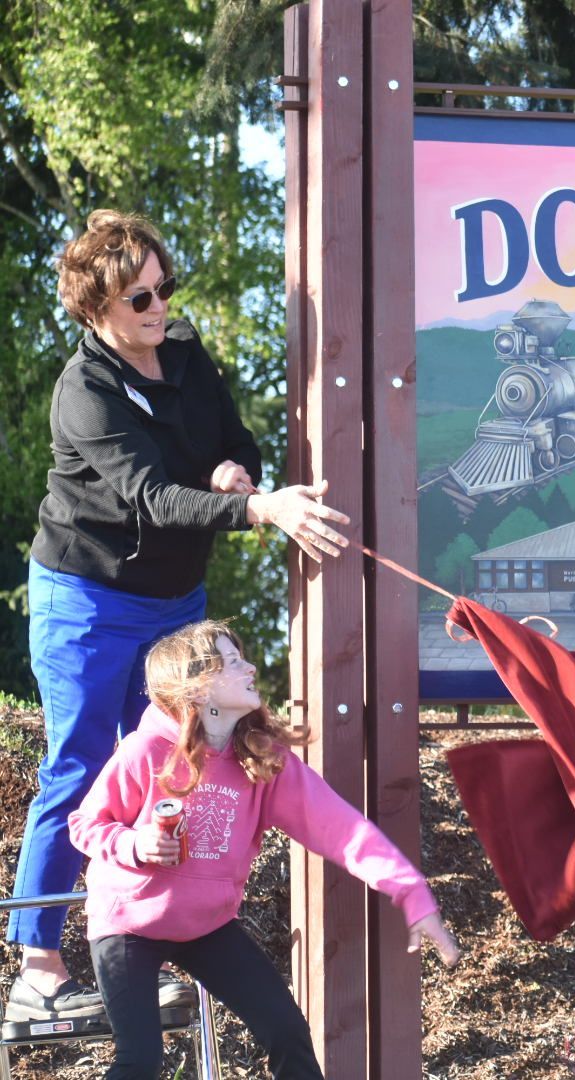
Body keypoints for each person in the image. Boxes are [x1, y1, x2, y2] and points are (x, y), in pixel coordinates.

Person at [9, 209, 352, 1023]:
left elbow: (233, 444)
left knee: (172, 765)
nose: (158, 308)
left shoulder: (188, 353)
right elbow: (154, 498)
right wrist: (262, 512)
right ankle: (39, 965)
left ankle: (143, 946)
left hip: (175, 604)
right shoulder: (83, 395)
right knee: (84, 765)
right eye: (139, 300)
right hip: (86, 601)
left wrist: (239, 469)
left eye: (165, 289)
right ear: (96, 311)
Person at [68, 620, 459, 1079]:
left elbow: (344, 830)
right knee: (140, 1060)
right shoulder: (145, 750)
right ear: (197, 689)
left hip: (207, 925)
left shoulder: (261, 759)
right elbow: (85, 824)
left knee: (288, 1034)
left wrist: (412, 893)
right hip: (129, 924)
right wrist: (135, 844)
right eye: (232, 662)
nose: (250, 665)